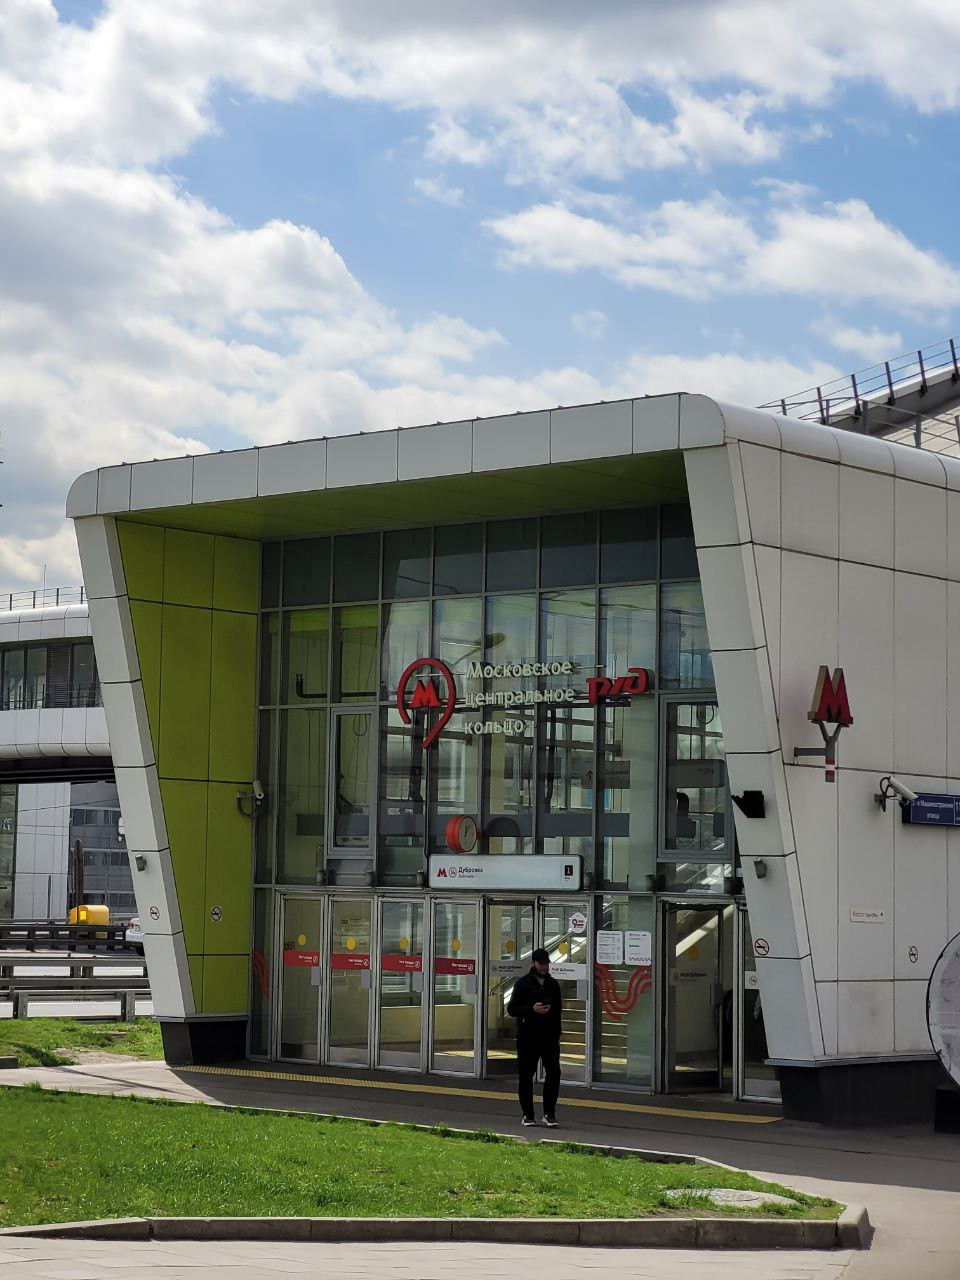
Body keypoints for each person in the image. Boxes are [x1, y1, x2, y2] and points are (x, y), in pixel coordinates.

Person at [507, 946, 563, 1128]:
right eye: (541, 964)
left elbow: (558, 1010)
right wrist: (531, 1009)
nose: (545, 967)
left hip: (549, 1036)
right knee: (526, 1075)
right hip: (528, 1036)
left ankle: (549, 1113)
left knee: (554, 1072)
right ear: (533, 963)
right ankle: (528, 1115)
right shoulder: (522, 984)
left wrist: (557, 1033)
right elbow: (511, 1009)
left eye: (547, 964)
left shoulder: (553, 985)